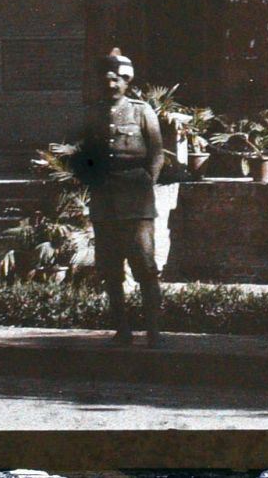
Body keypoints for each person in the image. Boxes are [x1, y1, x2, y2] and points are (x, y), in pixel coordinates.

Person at [73, 46, 165, 345]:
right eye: (106, 79)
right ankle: (122, 329)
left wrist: (145, 183)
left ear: (127, 82)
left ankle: (153, 330)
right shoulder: (93, 114)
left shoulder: (142, 111)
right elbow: (84, 154)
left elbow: (156, 154)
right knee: (111, 269)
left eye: (116, 79)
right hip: (104, 201)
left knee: (145, 267)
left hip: (136, 202)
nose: (110, 84)